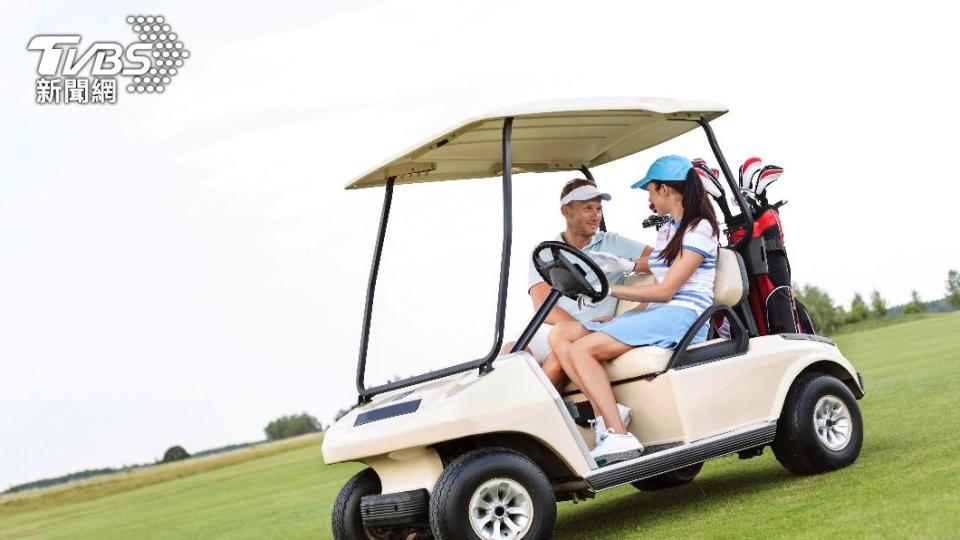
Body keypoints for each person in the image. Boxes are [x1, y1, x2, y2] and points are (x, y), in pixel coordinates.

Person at [548, 155, 720, 465]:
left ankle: (617, 434)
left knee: (582, 351)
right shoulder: (669, 230)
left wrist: (608, 288)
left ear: (666, 190)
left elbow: (667, 292)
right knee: (570, 342)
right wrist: (621, 315)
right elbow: (656, 279)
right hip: (663, 314)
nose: (650, 199)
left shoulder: (700, 228)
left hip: (685, 317)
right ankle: (613, 420)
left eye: (651, 191)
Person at [505, 178, 652, 396]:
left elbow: (663, 261)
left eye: (599, 209)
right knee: (510, 357)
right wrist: (573, 329)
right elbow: (543, 306)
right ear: (566, 211)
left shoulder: (612, 243)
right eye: (588, 209)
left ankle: (522, 420)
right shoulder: (546, 252)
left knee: (555, 362)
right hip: (552, 327)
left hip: (590, 329)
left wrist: (630, 265)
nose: (596, 216)